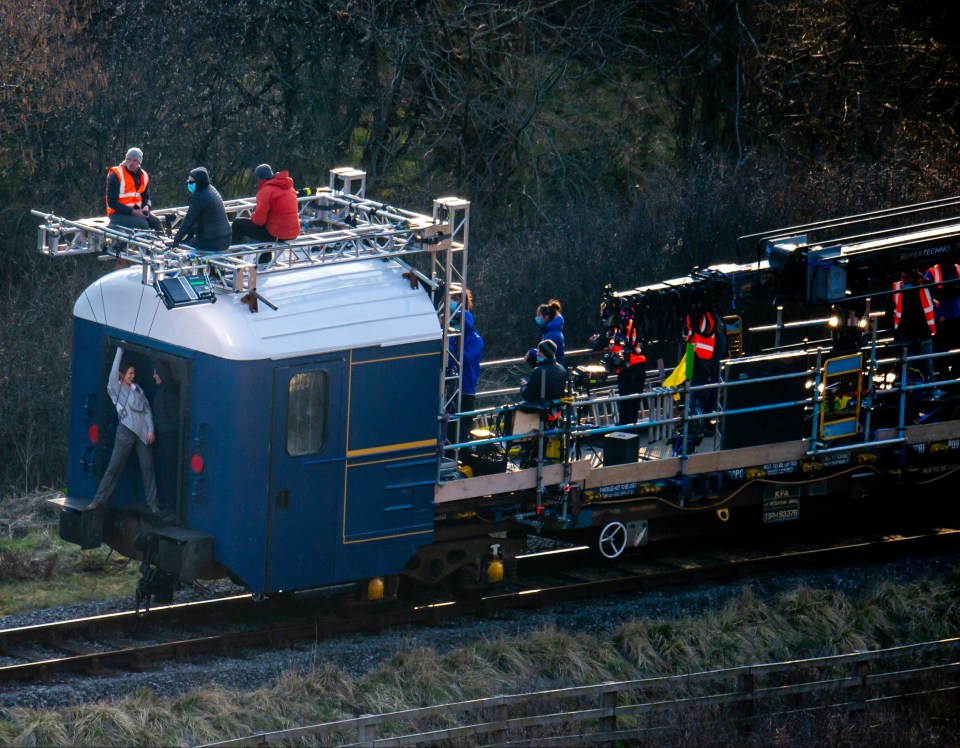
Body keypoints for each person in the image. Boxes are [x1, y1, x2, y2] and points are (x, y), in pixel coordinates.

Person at [87, 347, 159, 514]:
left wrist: (151, 429)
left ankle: (153, 504)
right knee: (114, 467)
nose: (132, 376)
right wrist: (120, 349)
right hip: (125, 431)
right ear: (122, 375)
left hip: (142, 434)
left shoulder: (138, 390)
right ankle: (98, 501)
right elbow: (112, 373)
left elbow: (147, 410)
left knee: (148, 469)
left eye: (133, 374)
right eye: (129, 374)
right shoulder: (116, 389)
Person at [231, 164, 302, 244]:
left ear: (260, 179)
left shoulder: (266, 190)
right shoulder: (290, 188)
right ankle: (264, 257)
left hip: (277, 234)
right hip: (293, 232)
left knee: (237, 224)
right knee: (267, 226)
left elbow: (259, 220)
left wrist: (253, 215)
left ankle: (236, 254)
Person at [447, 287, 484, 441]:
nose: (451, 303)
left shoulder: (476, 340)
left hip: (466, 389)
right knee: (449, 428)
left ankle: (461, 453)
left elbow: (461, 360)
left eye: (455, 299)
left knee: (462, 429)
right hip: (450, 388)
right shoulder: (452, 337)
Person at [170, 167, 232, 253]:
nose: (189, 184)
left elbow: (189, 221)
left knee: (181, 251)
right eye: (188, 182)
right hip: (225, 239)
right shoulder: (211, 189)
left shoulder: (199, 196)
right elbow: (195, 220)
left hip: (213, 242)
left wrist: (175, 241)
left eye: (191, 182)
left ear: (199, 182)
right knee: (187, 243)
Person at [105, 147, 165, 233]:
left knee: (156, 222)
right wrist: (133, 212)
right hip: (117, 213)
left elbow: (146, 196)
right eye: (129, 160)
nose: (131, 163)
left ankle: (164, 245)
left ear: (139, 162)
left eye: (134, 160)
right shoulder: (116, 175)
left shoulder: (143, 175)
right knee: (143, 225)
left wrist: (146, 206)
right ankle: (145, 246)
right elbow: (112, 203)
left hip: (136, 211)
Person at [891, 268, 936, 383]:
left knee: (926, 366)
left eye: (907, 278)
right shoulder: (896, 288)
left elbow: (938, 291)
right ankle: (904, 391)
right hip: (904, 334)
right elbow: (889, 312)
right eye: (903, 278)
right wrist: (896, 334)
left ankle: (930, 389)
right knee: (905, 366)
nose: (904, 281)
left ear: (914, 278)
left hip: (923, 333)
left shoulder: (924, 287)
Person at [151, 361, 180, 516]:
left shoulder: (172, 389)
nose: (154, 375)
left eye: (156, 372)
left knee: (170, 469)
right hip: (162, 434)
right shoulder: (160, 393)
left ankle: (171, 506)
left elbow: (167, 377)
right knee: (164, 469)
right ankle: (167, 504)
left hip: (170, 434)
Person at [925, 261, 960, 381]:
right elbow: (926, 296)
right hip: (942, 319)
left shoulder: (958, 269)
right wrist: (938, 315)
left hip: (957, 317)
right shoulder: (931, 273)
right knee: (942, 352)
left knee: (957, 351)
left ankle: (957, 378)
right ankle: (944, 379)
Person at [520, 339, 568, 404]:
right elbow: (543, 358)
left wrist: (523, 385)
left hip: (541, 409)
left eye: (539, 351)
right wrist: (531, 352)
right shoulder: (562, 369)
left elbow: (527, 396)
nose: (537, 353)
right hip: (556, 407)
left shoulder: (537, 371)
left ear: (544, 353)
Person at [525, 299, 565, 366]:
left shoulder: (552, 335)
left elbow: (546, 356)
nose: (536, 317)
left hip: (552, 371)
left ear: (546, 317)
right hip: (554, 368)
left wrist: (532, 352)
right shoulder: (550, 330)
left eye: (539, 315)